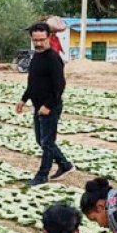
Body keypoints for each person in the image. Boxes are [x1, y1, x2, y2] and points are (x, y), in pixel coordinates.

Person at [16, 22, 74, 186]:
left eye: (42, 39)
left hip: (50, 107)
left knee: (47, 142)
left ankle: (42, 176)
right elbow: (32, 82)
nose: (39, 43)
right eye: (36, 40)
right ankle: (64, 165)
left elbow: (59, 86)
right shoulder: (36, 57)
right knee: (40, 140)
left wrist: (48, 106)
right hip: (38, 106)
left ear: (49, 37)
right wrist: (23, 99)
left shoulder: (53, 58)